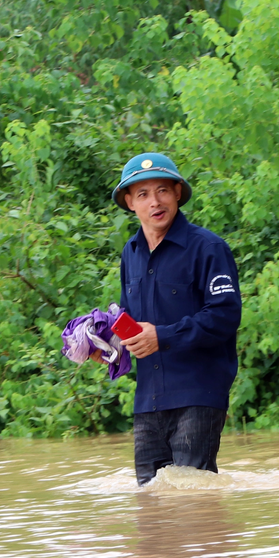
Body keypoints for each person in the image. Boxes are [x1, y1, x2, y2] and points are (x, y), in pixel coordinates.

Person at [103, 152, 243, 484]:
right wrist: (109, 345)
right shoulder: (130, 253)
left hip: (198, 392)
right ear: (129, 202)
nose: (155, 202)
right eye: (143, 194)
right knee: (151, 503)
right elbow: (129, 322)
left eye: (163, 190)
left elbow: (225, 315)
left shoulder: (208, 248)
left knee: (192, 495)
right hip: (148, 399)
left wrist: (162, 336)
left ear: (178, 193)